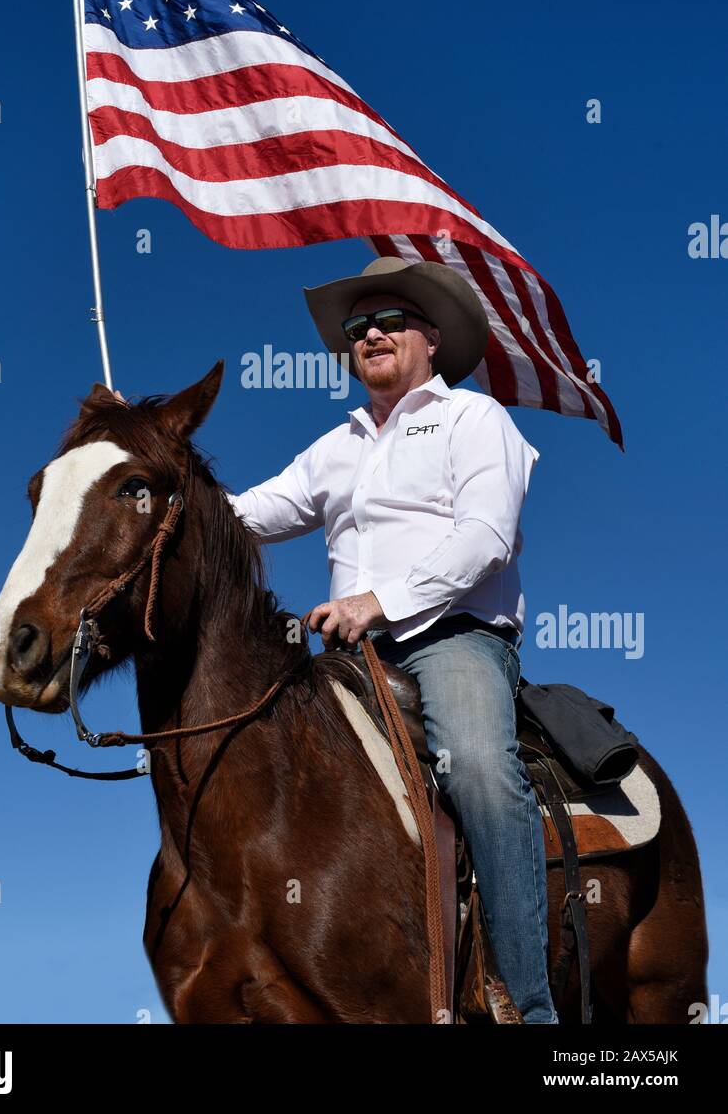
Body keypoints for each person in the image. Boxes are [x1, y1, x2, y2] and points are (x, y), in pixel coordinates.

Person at [226, 255, 559, 1024]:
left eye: (388, 321)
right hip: (348, 661)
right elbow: (243, 516)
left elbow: (485, 538)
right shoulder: (332, 448)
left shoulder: (475, 419)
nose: (370, 333)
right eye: (356, 327)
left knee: (475, 767)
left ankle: (525, 1001)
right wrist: (149, 461)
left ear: (431, 339)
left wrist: (379, 601)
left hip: (454, 639)